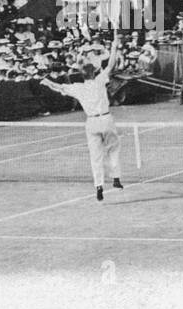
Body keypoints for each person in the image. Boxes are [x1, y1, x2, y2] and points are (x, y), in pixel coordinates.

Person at [39, 37, 123, 202]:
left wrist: (47, 81)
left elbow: (58, 87)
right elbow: (111, 65)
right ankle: (116, 178)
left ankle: (98, 186)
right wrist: (114, 47)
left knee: (95, 156)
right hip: (105, 119)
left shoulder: (78, 88)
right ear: (94, 72)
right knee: (113, 149)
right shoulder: (100, 80)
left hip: (91, 123)